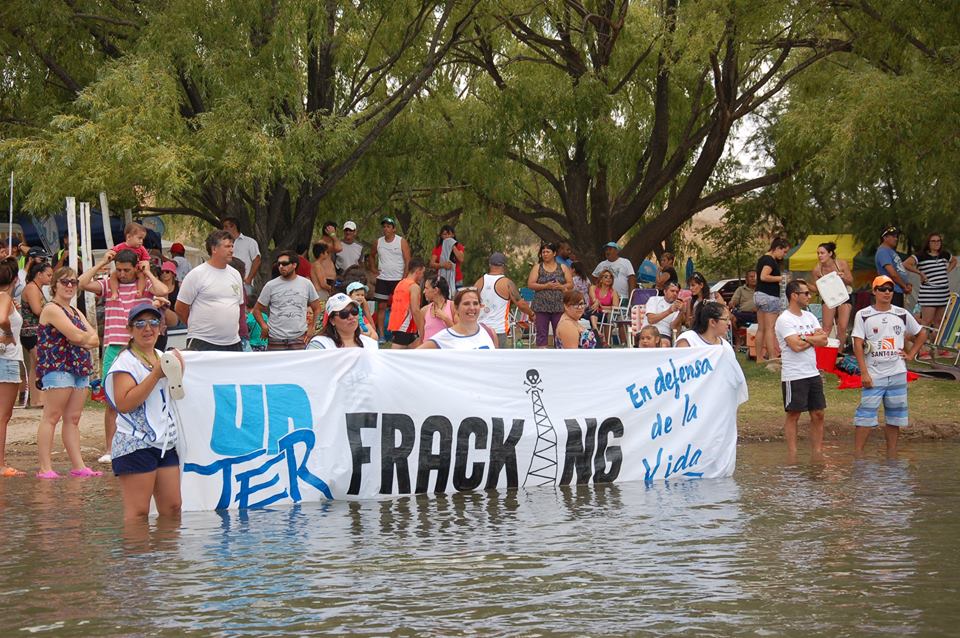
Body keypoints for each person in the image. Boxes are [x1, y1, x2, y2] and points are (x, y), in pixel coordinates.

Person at [79, 248, 169, 464]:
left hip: (140, 346)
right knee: (111, 400)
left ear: (135, 267)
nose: (122, 274)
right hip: (114, 345)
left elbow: (163, 290)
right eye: (118, 270)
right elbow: (82, 283)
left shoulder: (145, 285)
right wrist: (103, 263)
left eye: (126, 270)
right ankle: (110, 448)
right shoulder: (109, 284)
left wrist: (147, 273)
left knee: (147, 393)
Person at [104, 303, 184, 520]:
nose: (147, 328)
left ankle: (166, 554)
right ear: (129, 329)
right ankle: (135, 554)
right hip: (135, 443)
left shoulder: (161, 355)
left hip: (164, 440)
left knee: (173, 507)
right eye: (140, 323)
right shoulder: (125, 362)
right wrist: (156, 375)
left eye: (153, 322)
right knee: (139, 512)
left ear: (161, 328)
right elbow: (124, 403)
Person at [35, 267, 101, 478]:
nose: (70, 285)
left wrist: (83, 338)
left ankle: (78, 465)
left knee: (73, 418)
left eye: (73, 282)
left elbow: (94, 338)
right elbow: (76, 335)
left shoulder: (75, 311)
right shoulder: (52, 309)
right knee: (52, 416)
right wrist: (84, 338)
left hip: (78, 366)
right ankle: (45, 467)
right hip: (58, 366)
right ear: (54, 285)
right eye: (65, 282)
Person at [852, 275, 927, 457]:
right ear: (874, 291)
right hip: (874, 373)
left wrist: (911, 354)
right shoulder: (863, 315)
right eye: (882, 289)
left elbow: (921, 333)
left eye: (890, 289)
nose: (887, 292)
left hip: (897, 372)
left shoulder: (901, 313)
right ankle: (858, 455)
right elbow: (857, 344)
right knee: (865, 416)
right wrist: (864, 372)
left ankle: (892, 454)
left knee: (895, 417)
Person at [774, 279, 828, 459]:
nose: (809, 296)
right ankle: (792, 454)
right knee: (794, 414)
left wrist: (805, 338)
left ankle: (817, 453)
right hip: (794, 374)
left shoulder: (810, 316)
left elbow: (824, 340)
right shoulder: (784, 319)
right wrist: (812, 339)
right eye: (805, 293)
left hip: (812, 372)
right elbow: (794, 346)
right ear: (794, 295)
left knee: (818, 413)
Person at [175, 230, 244, 351]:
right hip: (203, 342)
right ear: (214, 249)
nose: (232, 250)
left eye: (232, 246)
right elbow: (180, 308)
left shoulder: (236, 274)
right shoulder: (197, 274)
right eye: (227, 246)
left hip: (233, 342)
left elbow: (237, 305)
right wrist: (196, 327)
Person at [254, 250, 321, 351]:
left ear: (294, 265)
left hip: (299, 337)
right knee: (275, 366)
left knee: (299, 366)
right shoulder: (270, 285)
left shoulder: (306, 284)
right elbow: (256, 310)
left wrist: (312, 327)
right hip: (275, 337)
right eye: (279, 264)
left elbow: (317, 308)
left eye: (285, 264)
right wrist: (264, 326)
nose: (281, 266)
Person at [904, 232, 957, 341]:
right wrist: (920, 273)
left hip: (943, 293)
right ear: (928, 243)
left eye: (938, 241)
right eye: (933, 241)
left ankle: (936, 348)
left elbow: (954, 261)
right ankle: (921, 348)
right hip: (929, 294)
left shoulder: (944, 254)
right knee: (926, 322)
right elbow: (906, 264)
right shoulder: (921, 256)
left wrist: (947, 271)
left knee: (940, 322)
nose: (936, 243)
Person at [475, 252, 534, 348]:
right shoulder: (507, 283)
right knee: (497, 360)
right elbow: (521, 304)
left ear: (490, 265)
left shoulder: (479, 281)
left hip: (480, 329)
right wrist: (531, 314)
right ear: (504, 266)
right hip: (498, 329)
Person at [0, 259, 24, 476]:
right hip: (6, 359)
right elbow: (2, 319)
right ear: (15, 279)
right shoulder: (5, 297)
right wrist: (7, 334)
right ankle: (0, 464)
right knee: (2, 416)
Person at [369, 216, 411, 340]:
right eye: (384, 226)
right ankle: (381, 335)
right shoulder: (378, 242)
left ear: (394, 229)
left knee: (398, 307)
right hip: (383, 279)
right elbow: (371, 255)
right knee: (381, 307)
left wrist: (405, 277)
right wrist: (373, 269)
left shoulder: (401, 241)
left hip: (398, 278)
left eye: (388, 226)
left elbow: (408, 259)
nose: (386, 229)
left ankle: (397, 334)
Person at [419, 288, 497, 350]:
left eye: (475, 303)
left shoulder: (490, 332)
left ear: (480, 306)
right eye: (466, 304)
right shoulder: (442, 338)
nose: (472, 308)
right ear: (456, 308)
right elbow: (413, 358)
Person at [527, 242, 572, 348]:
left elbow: (571, 284)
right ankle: (542, 357)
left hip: (559, 306)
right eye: (543, 252)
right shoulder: (538, 267)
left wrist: (561, 286)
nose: (545, 254)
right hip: (541, 306)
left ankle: (559, 355)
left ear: (554, 253)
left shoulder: (563, 267)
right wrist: (545, 286)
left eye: (548, 252)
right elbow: (530, 284)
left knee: (560, 332)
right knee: (541, 334)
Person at [21, 261, 52, 408]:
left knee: (35, 365)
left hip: (33, 331)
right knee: (41, 364)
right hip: (31, 332)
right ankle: (40, 398)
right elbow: (37, 310)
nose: (50, 278)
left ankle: (35, 399)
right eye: (48, 275)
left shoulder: (36, 288)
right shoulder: (32, 288)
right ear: (39, 274)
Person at [809, 242, 854, 345]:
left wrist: (843, 277)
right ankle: (822, 351)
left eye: (822, 253)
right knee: (826, 327)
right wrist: (805, 284)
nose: (819, 255)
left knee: (842, 327)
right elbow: (816, 289)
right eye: (818, 253)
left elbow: (851, 281)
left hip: (844, 295)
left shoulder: (841, 264)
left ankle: (839, 353)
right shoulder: (817, 270)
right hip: (828, 297)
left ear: (830, 253)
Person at [755, 238, 790, 363]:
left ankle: (759, 357)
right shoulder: (770, 260)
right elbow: (764, 276)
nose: (784, 255)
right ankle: (772, 357)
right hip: (769, 296)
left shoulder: (762, 259)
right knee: (770, 328)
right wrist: (781, 278)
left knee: (761, 328)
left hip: (759, 295)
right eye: (784, 252)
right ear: (777, 248)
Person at [307, 293, 378, 349]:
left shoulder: (370, 344)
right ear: (332, 321)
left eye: (354, 311)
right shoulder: (319, 344)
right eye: (344, 313)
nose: (351, 317)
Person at [387, 257, 425, 349]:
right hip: (405, 326)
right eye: (423, 273)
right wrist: (422, 329)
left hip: (396, 323)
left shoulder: (400, 284)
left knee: (415, 350)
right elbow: (415, 310)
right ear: (418, 271)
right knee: (395, 355)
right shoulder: (414, 287)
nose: (423, 276)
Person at [108, 222, 151, 301]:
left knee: (142, 276)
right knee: (113, 275)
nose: (141, 241)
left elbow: (146, 259)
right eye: (139, 238)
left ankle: (140, 291)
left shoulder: (141, 248)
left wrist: (145, 264)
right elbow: (111, 252)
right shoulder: (120, 246)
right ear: (128, 237)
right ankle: (114, 292)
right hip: (123, 270)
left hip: (137, 270)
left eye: (142, 239)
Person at [221, 217, 261, 296]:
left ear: (234, 226)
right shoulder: (223, 243)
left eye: (226, 226)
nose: (223, 230)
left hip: (244, 284)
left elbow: (257, 260)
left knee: (244, 307)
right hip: (226, 283)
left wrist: (249, 279)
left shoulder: (250, 242)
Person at [875, 226, 911, 308]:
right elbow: (892, 273)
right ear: (885, 238)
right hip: (891, 290)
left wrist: (907, 283)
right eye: (893, 237)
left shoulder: (890, 251)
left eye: (896, 237)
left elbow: (899, 269)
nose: (896, 239)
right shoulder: (883, 252)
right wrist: (904, 286)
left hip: (898, 290)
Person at [644, 281, 683, 346]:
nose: (675, 294)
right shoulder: (654, 300)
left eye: (677, 292)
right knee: (647, 341)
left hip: (664, 334)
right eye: (672, 291)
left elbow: (673, 327)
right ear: (665, 291)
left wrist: (681, 312)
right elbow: (651, 320)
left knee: (664, 345)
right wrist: (669, 311)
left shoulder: (677, 307)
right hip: (647, 331)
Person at [429, 224, 465, 293]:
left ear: (453, 235)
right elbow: (432, 264)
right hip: (443, 279)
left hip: (456, 278)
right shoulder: (437, 248)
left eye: (449, 234)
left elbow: (461, 259)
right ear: (441, 236)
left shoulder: (459, 246)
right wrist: (442, 265)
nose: (447, 237)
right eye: (445, 234)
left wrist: (453, 246)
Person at [420, 275, 455, 342]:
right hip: (429, 351)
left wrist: (446, 319)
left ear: (436, 290)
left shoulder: (452, 306)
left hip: (446, 350)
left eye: (426, 288)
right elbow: (421, 337)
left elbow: (459, 334)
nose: (424, 291)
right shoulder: (424, 310)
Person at [727, 270, 757, 342]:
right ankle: (738, 339)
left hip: (758, 314)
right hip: (743, 313)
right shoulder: (740, 289)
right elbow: (733, 301)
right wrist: (732, 303)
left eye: (755, 277)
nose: (754, 278)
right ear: (746, 279)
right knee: (731, 318)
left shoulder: (762, 290)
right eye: (751, 277)